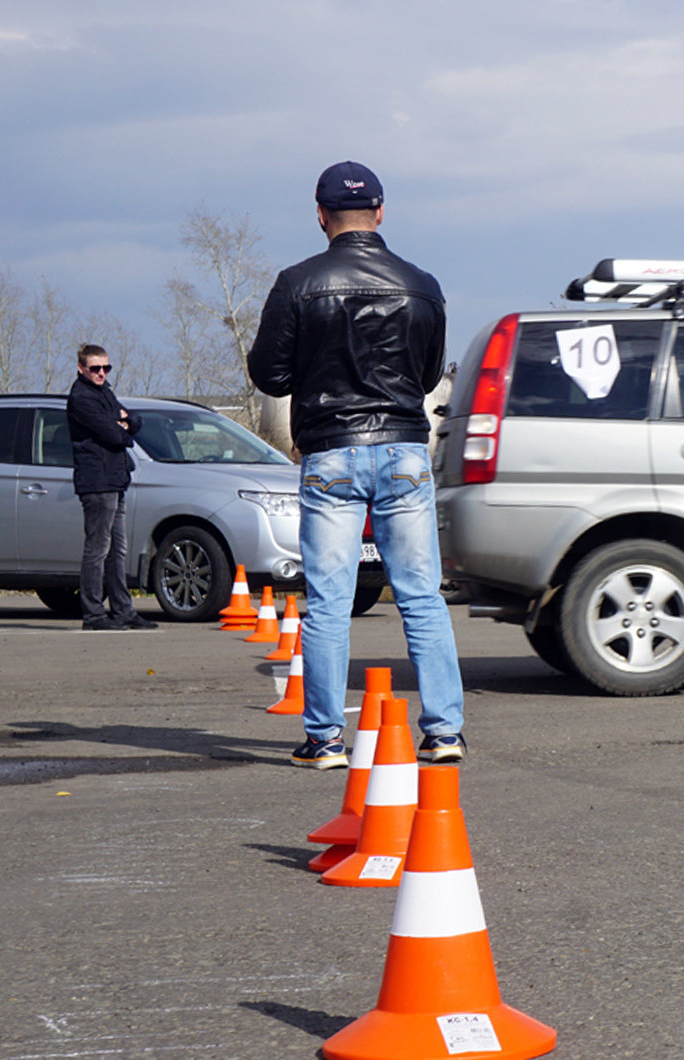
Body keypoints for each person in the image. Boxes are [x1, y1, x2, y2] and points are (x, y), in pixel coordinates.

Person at [247, 161, 465, 769]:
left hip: (331, 453)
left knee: (329, 603)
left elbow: (268, 373)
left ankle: (325, 740)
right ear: (382, 211)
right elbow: (426, 377)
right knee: (421, 596)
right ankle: (444, 732)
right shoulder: (421, 285)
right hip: (401, 449)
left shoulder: (298, 283)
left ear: (320, 216)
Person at [65, 343, 157, 631]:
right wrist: (122, 426)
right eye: (95, 368)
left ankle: (123, 611)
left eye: (106, 368)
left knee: (118, 548)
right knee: (98, 548)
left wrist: (125, 422)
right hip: (97, 481)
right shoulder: (82, 397)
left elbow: (135, 420)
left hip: (115, 478)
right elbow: (114, 434)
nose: (101, 373)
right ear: (81, 369)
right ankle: (93, 614)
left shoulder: (104, 392)